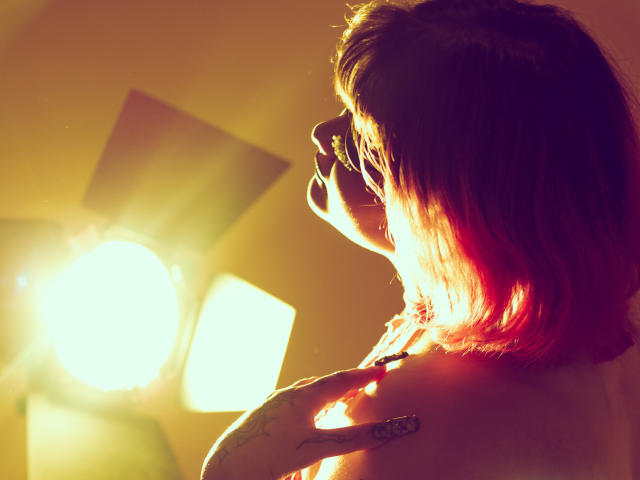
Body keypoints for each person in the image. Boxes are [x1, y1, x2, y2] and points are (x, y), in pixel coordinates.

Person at [202, 0, 640, 478]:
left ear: (450, 207)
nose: (321, 134)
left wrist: (232, 471)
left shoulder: (406, 417)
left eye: (362, 140)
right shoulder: (605, 355)